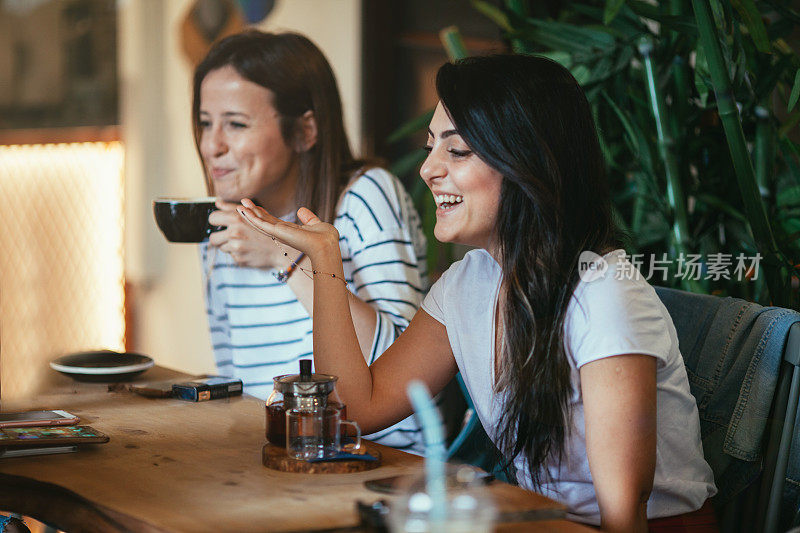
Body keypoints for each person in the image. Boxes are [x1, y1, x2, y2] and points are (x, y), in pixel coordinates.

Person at [238, 54, 718, 531]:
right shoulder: (467, 283)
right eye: (430, 148)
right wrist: (324, 260)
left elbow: (623, 515)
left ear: (526, 161)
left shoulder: (604, 295)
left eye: (457, 150)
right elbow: (358, 408)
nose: (428, 169)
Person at [191, 30, 429, 452]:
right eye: (206, 123)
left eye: (236, 124)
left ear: (305, 130)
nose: (212, 146)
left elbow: (406, 375)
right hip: (277, 458)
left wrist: (284, 259)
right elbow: (237, 381)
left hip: (382, 462)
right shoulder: (224, 224)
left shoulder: (365, 197)